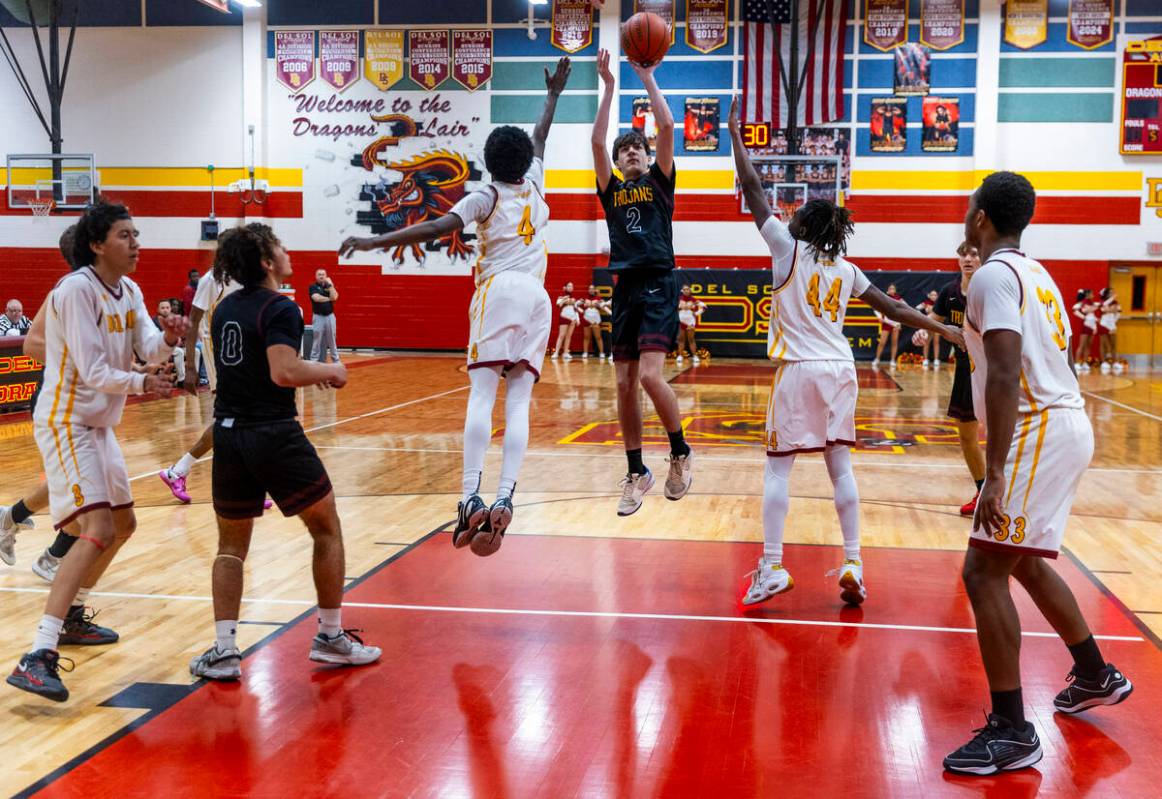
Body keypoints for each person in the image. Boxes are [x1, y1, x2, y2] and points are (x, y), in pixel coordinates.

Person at [728, 97, 962, 608]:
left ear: (804, 228)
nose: (786, 221)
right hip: (841, 370)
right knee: (841, 468)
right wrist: (943, 329)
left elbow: (752, 190)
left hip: (801, 369)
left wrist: (736, 137)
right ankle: (853, 560)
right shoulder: (847, 269)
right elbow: (896, 311)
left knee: (777, 469)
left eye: (795, 219)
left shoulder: (786, 250)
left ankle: (770, 566)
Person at [941, 171, 1133, 775]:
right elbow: (1032, 353)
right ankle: (1095, 672)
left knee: (981, 571)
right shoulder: (1036, 274)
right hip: (1066, 419)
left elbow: (1001, 372)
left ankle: (1012, 730)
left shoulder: (994, 275)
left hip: (1037, 427)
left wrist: (993, 473)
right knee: (1020, 557)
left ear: (979, 219)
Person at [340, 58, 572, 555]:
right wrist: (552, 96)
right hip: (538, 295)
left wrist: (371, 241)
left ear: (488, 162)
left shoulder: (485, 195)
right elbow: (541, 135)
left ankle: (470, 497)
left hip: (500, 290)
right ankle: (506, 496)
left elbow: (433, 229)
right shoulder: (535, 181)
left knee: (483, 395)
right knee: (519, 401)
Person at [7, 202, 186, 702]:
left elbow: (147, 343)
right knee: (98, 528)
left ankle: (73, 615)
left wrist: (167, 343)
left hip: (99, 426)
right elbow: (91, 371)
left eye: (137, 233)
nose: (136, 243)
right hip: (67, 421)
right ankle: (37, 653)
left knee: (124, 525)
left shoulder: (128, 289)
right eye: (125, 235)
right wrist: (143, 381)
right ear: (97, 244)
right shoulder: (75, 289)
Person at [190, 223, 380, 681]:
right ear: (265, 261)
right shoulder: (281, 307)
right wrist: (331, 370)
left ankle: (224, 650)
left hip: (230, 436)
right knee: (327, 528)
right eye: (280, 247)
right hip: (273, 432)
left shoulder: (224, 308)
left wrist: (305, 370)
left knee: (230, 547)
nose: (287, 251)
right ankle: (331, 637)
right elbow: (283, 370)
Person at [592, 48, 693, 516]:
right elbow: (596, 143)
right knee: (623, 384)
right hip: (625, 287)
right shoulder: (611, 188)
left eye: (637, 147)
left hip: (657, 280)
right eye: (623, 149)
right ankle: (638, 471)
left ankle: (680, 452)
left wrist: (646, 77)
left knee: (651, 376)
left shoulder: (658, 181)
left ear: (648, 156)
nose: (630, 151)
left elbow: (669, 127)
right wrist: (609, 87)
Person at [158, 263, 273, 511]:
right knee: (235, 418)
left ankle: (178, 471)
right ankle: (184, 472)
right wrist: (190, 366)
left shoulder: (244, 276)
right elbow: (194, 321)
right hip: (218, 353)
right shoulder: (212, 279)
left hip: (239, 352)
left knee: (235, 420)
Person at [930, 242, 986, 516]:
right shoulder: (950, 292)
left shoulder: (990, 290)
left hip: (994, 373)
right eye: (964, 253)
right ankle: (983, 491)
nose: (968, 258)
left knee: (1006, 437)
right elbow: (933, 319)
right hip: (966, 372)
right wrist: (926, 331)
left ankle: (1007, 494)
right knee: (966, 436)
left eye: (974, 254)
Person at [309, 268, 340, 364]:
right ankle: (314, 361)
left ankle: (336, 361)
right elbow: (316, 298)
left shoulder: (329, 286)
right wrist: (329, 298)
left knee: (332, 339)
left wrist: (331, 285)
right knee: (316, 340)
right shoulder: (313, 287)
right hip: (318, 317)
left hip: (330, 316)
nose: (321, 276)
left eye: (323, 274)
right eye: (319, 274)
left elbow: (335, 297)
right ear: (316, 276)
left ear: (326, 276)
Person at [872, 283, 903, 368]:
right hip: (886, 323)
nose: (891, 290)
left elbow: (904, 310)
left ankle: (893, 360)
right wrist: (879, 317)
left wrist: (899, 323)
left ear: (895, 290)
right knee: (882, 342)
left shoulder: (899, 299)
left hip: (895, 324)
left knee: (894, 342)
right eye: (890, 289)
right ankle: (877, 359)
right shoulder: (884, 298)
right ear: (887, 290)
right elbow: (875, 308)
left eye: (893, 289)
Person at [676, 284, 706, 365]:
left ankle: (694, 356)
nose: (686, 291)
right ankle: (680, 356)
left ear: (690, 290)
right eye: (684, 289)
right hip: (681, 320)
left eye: (688, 289)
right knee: (681, 339)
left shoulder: (694, 300)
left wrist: (696, 313)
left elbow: (704, 307)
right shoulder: (678, 299)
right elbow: (673, 308)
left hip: (690, 321)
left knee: (691, 339)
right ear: (682, 291)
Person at [551, 282, 579, 360]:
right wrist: (564, 299)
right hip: (564, 317)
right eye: (569, 286)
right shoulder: (561, 296)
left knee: (568, 336)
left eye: (572, 286)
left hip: (572, 318)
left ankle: (566, 352)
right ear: (565, 287)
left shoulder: (574, 298)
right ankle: (556, 352)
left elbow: (575, 308)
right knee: (561, 335)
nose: (570, 287)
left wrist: (577, 319)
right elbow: (558, 304)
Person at [1071, 289, 1097, 372]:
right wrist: (1083, 317)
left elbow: (1092, 314)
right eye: (1092, 293)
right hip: (1085, 325)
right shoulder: (1083, 303)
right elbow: (1074, 309)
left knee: (1088, 345)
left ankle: (1085, 363)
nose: (1093, 295)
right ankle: (1077, 363)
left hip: (1092, 326)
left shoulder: (1091, 303)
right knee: (1081, 345)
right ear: (1087, 294)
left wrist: (1096, 320)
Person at [579, 285, 607, 360]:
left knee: (598, 337)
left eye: (592, 289)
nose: (591, 290)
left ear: (595, 290)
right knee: (586, 337)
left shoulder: (598, 298)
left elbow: (604, 306)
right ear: (588, 290)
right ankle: (585, 352)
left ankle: (601, 353)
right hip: (586, 319)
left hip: (595, 320)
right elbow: (578, 305)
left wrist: (598, 303)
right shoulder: (585, 298)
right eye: (590, 289)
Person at [1098, 287, 1121, 370]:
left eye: (1113, 292)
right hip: (1104, 324)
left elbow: (1118, 312)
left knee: (1113, 344)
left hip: (1112, 324)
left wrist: (1113, 321)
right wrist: (1110, 307)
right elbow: (1103, 307)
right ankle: (1104, 362)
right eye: (1110, 293)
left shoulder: (1116, 303)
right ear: (1106, 294)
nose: (1113, 294)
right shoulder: (1102, 302)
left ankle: (1115, 362)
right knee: (1103, 344)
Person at [915, 290, 938, 367]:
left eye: (935, 295)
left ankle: (936, 359)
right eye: (932, 295)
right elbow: (916, 309)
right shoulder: (926, 303)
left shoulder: (938, 304)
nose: (933, 296)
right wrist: (922, 317)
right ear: (929, 296)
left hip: (937, 324)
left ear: (937, 296)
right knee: (926, 341)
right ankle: (925, 359)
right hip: (928, 324)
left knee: (936, 342)